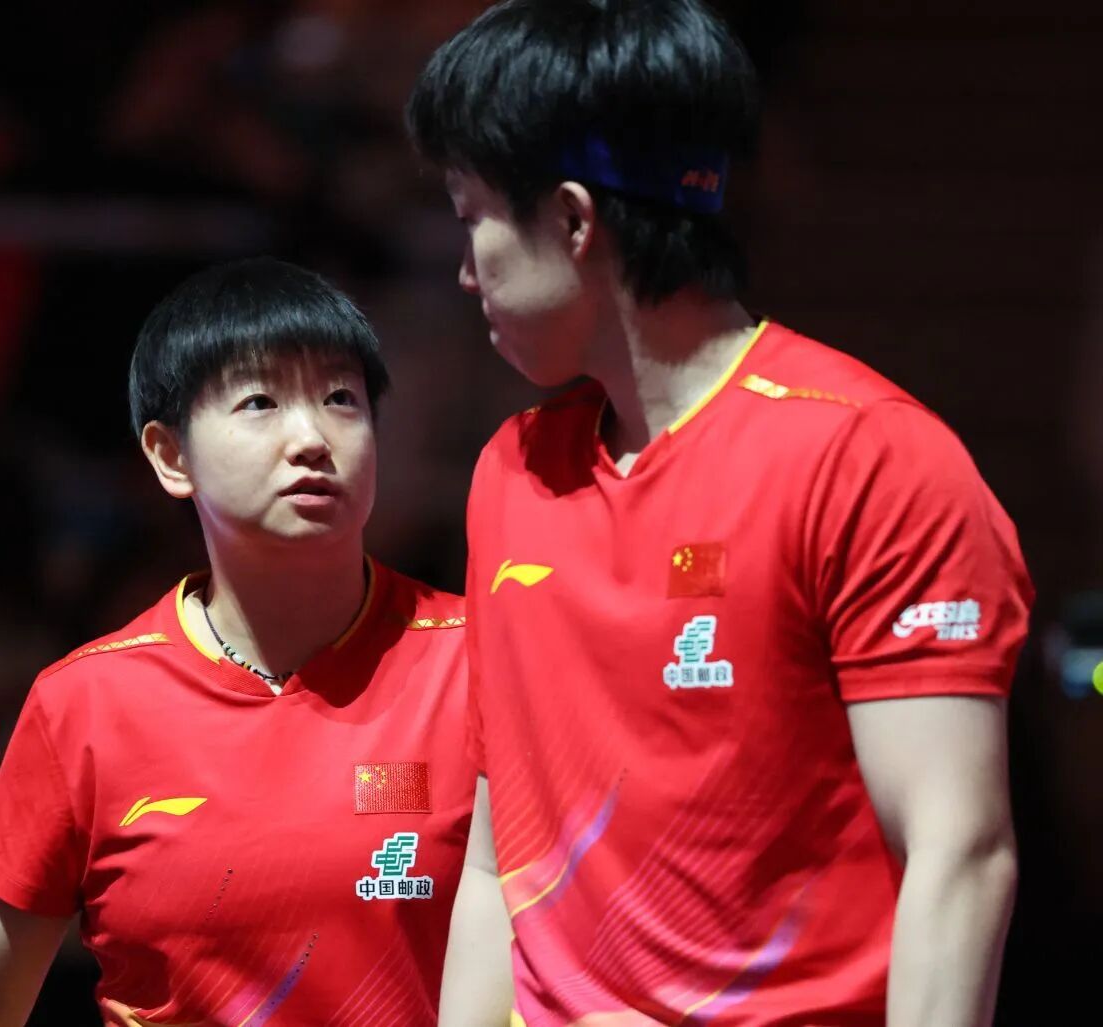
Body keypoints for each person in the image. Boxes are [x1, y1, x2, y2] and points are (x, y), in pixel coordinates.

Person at [405, 1, 1033, 1024]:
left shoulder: (868, 458)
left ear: (572, 220)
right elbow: (492, 864)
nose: (465, 270)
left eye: (470, 213)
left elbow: (957, 851)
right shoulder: (509, 473)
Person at [0, 257, 475, 1025]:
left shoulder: (482, 659)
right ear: (171, 456)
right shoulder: (86, 703)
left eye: (342, 398)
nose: (312, 437)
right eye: (260, 401)